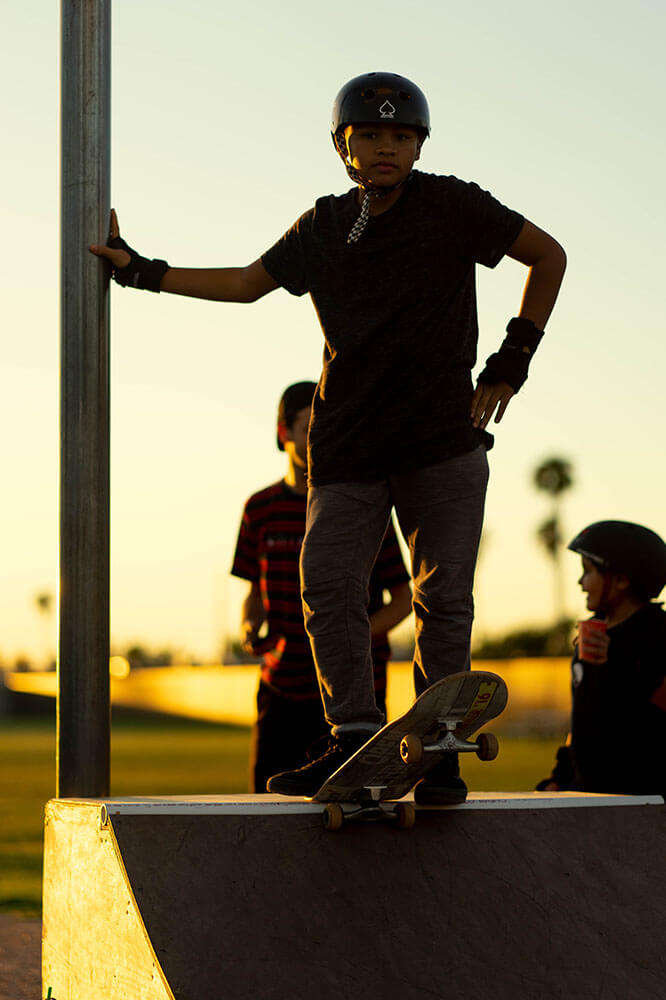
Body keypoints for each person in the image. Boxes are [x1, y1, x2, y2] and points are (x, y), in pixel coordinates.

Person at [89, 71, 566, 803]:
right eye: (369, 135)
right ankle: (352, 741)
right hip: (347, 445)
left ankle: (439, 750)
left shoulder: (454, 204)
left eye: (400, 135)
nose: (386, 148)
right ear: (344, 146)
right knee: (329, 585)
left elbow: (548, 256)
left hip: (443, 440)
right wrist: (143, 273)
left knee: (443, 598)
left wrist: (512, 361)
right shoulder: (322, 225)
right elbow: (249, 282)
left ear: (418, 145)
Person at [231, 380, 412, 792]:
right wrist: (248, 627)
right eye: (310, 427)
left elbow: (403, 599)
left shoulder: (364, 507)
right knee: (270, 809)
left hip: (351, 700)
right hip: (281, 690)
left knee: (353, 812)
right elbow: (254, 594)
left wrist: (349, 642)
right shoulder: (259, 509)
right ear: (284, 433)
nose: (321, 437)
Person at [536, 521, 666, 798]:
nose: (580, 582)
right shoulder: (592, 632)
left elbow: (649, 725)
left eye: (588, 571)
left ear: (621, 580)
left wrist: (615, 666)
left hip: (641, 799)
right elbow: (584, 720)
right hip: (588, 794)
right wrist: (560, 776)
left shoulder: (657, 637)